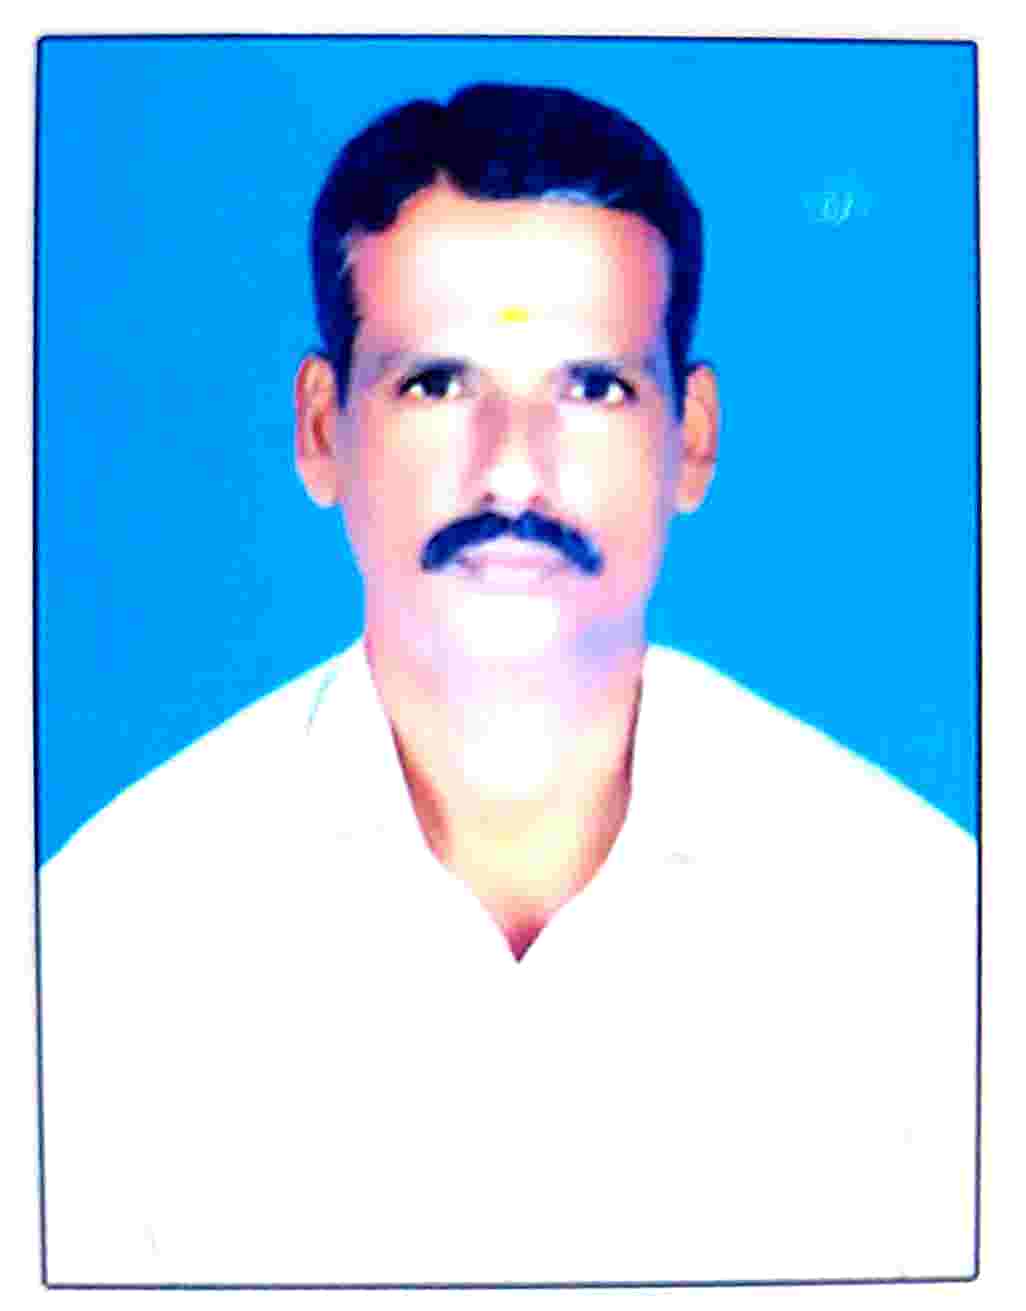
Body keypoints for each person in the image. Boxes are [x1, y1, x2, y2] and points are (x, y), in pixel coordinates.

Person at [40, 83, 976, 1287]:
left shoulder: (927, 936)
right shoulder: (101, 952)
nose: (515, 474)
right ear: (323, 429)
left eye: (592, 388)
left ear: (691, 438)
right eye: (439, 384)